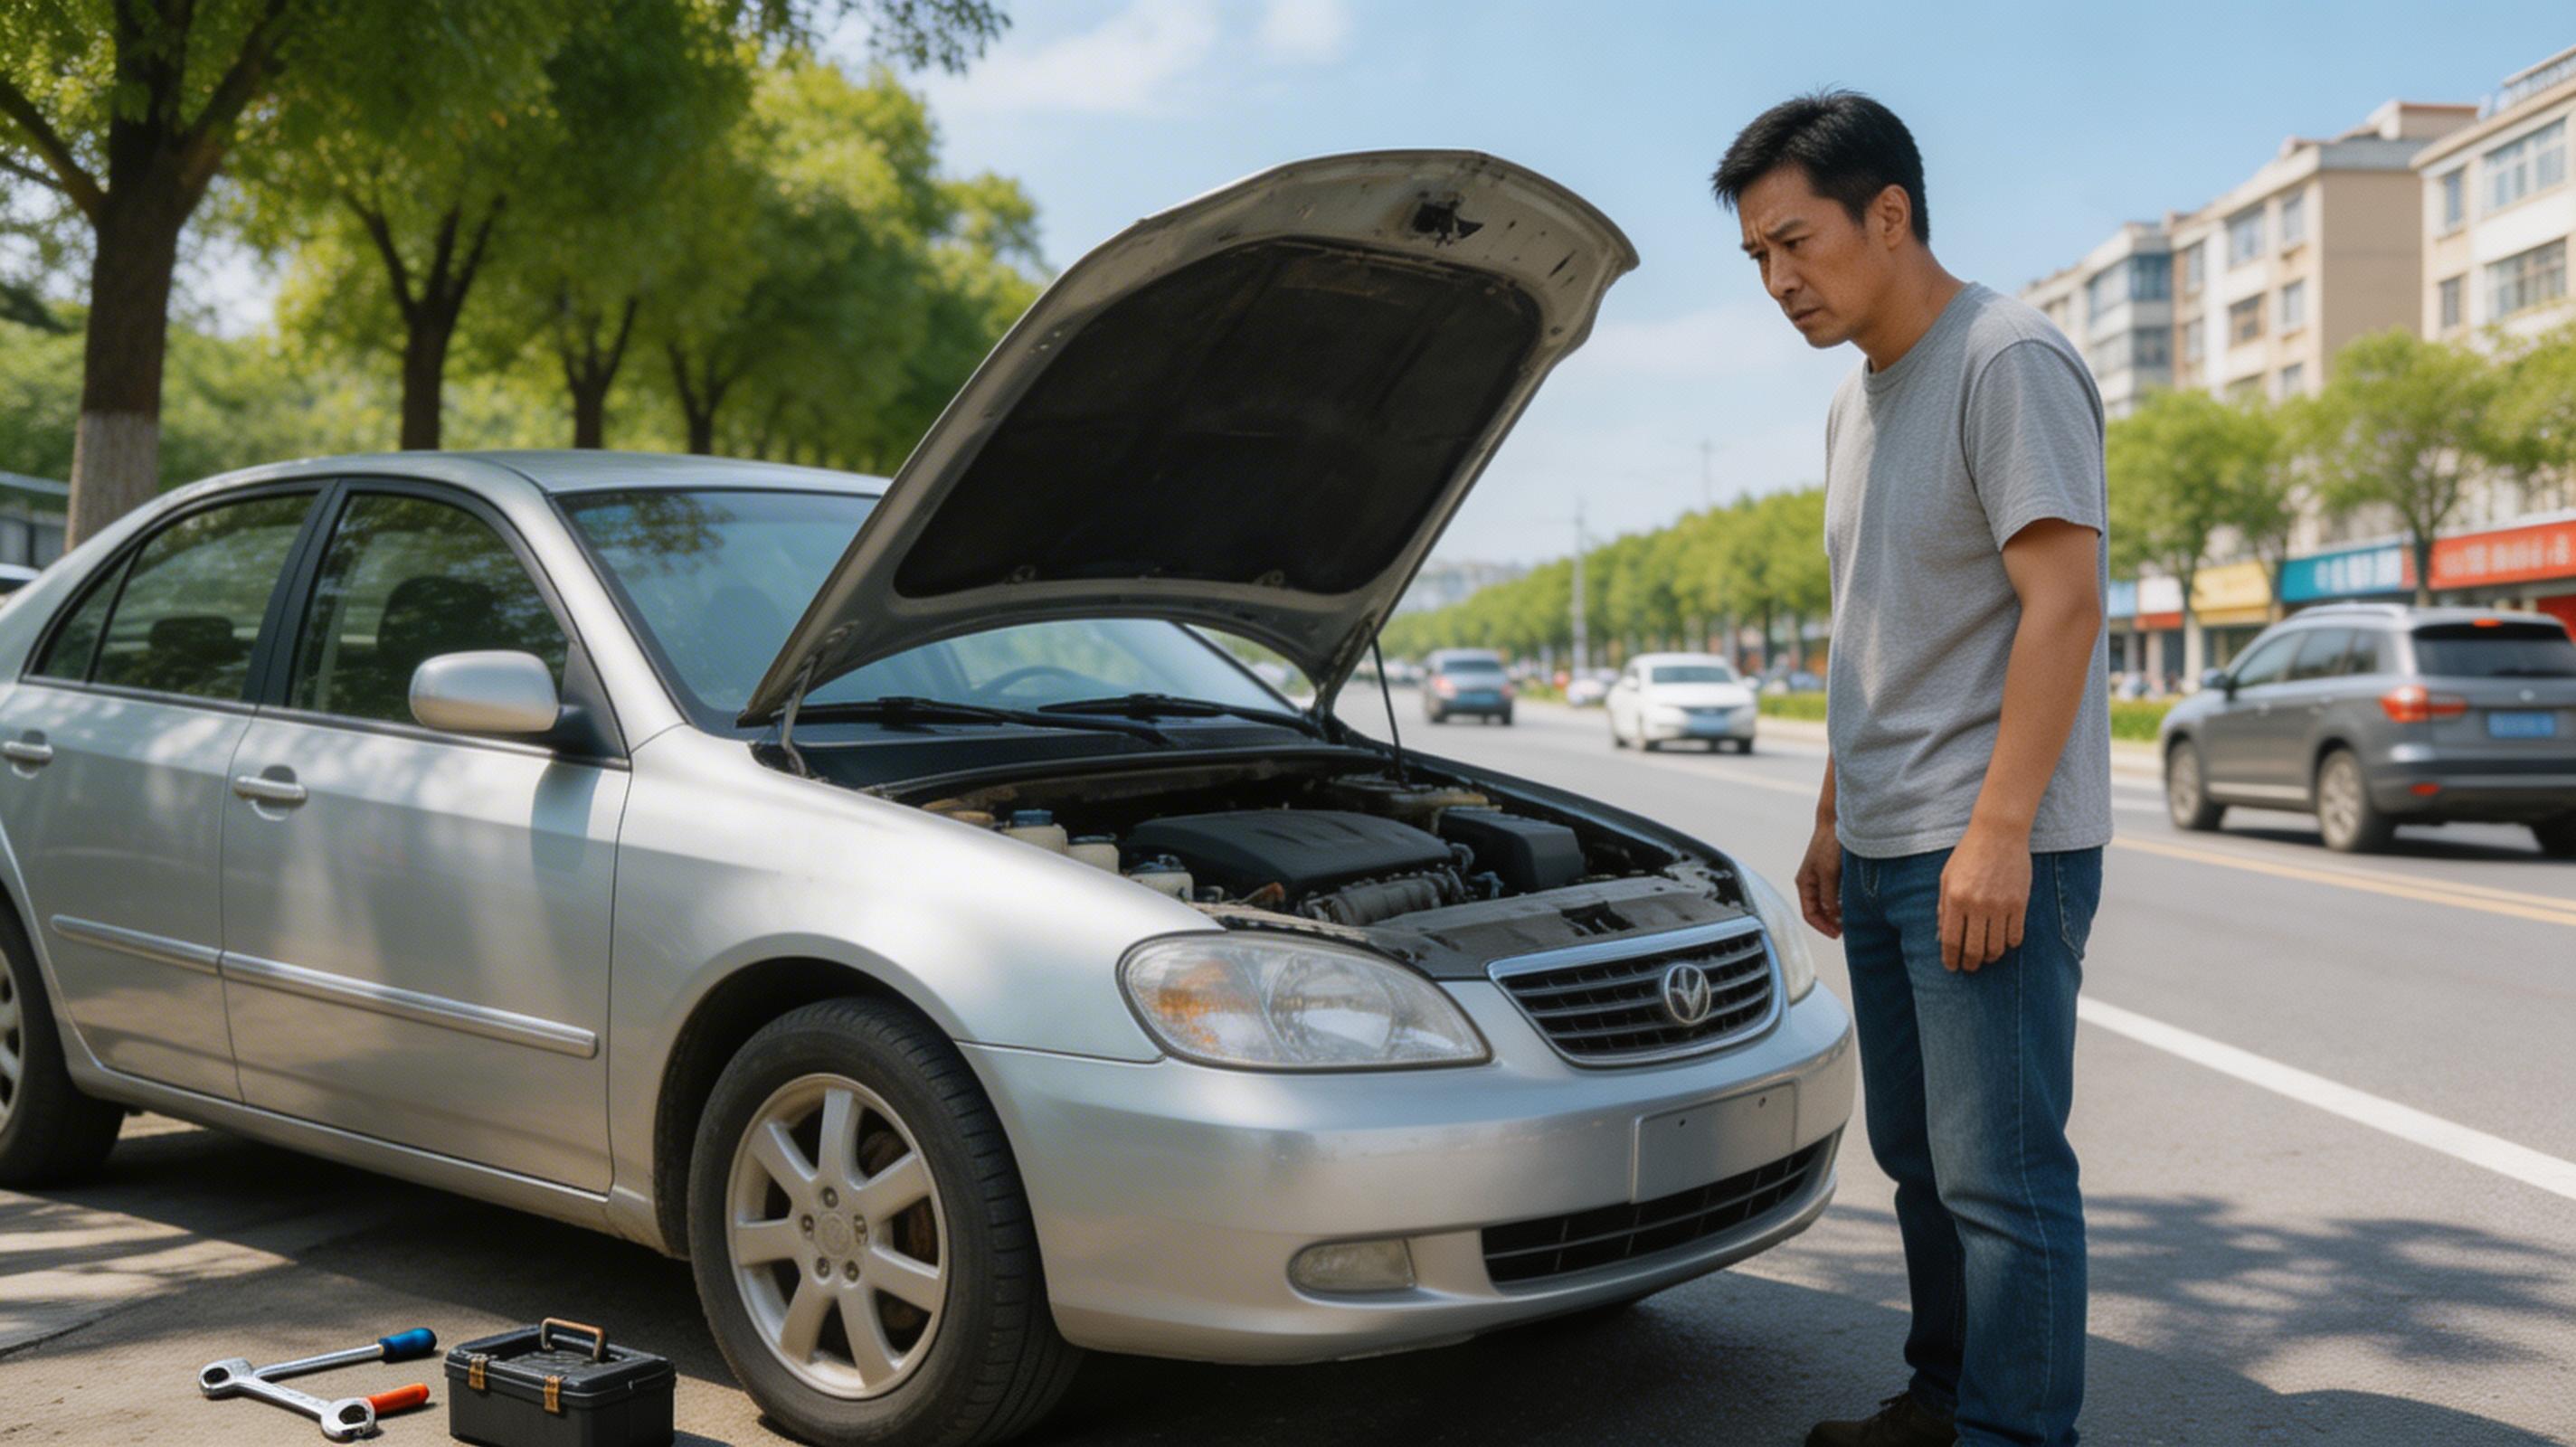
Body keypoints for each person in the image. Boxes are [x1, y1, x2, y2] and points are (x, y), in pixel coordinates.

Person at [1711, 91, 2112, 1447]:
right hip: (1886, 843)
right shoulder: (1853, 406)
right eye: (1758, 257)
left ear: (1889, 214)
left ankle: (2015, 1434)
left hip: (1987, 843)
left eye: (1796, 242)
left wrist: (2000, 833)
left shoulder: (2007, 360)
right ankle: (1946, 1403)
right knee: (1924, 1168)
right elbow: (1873, 625)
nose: (1778, 280)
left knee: (2003, 1178)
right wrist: (1834, 812)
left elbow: (2063, 602)